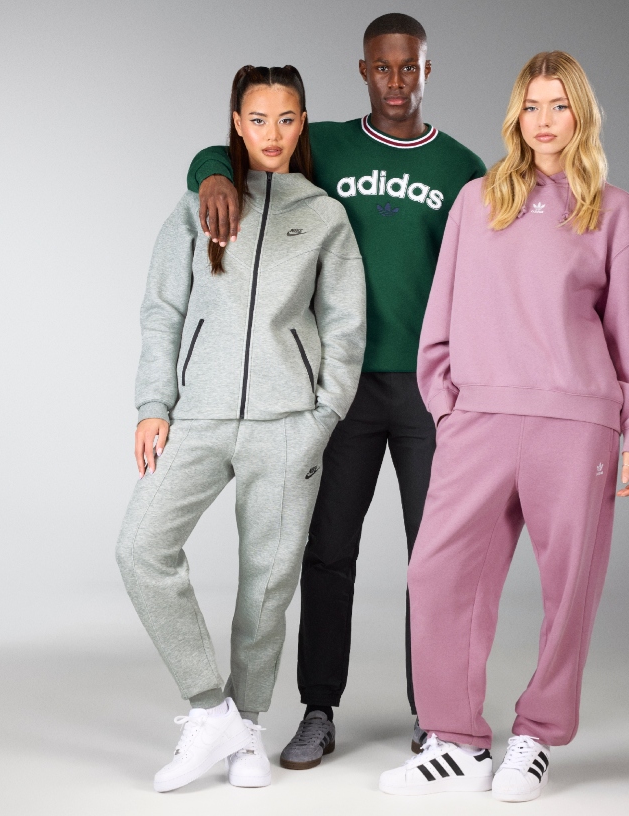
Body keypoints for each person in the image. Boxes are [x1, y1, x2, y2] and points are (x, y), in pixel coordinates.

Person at [187, 14, 486, 769]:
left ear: (427, 70)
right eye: (383, 67)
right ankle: (318, 708)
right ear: (363, 71)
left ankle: (436, 714)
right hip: (336, 384)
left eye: (409, 67)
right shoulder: (326, 145)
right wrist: (211, 176)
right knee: (327, 552)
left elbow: (483, 279)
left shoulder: (462, 167)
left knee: (435, 557)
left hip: (428, 391)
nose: (396, 81)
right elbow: (238, 149)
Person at [379, 51, 629, 801]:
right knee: (436, 572)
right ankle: (456, 742)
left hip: (576, 424)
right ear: (516, 115)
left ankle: (536, 735)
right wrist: (447, 402)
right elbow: (440, 314)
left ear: (581, 116)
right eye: (532, 106)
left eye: (559, 106)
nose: (544, 121)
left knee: (570, 588)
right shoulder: (477, 202)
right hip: (479, 418)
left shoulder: (614, 212)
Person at [115, 64, 365, 793]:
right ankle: (210, 707)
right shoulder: (199, 202)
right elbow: (163, 309)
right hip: (199, 416)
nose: (272, 135)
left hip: (287, 425)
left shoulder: (323, 215)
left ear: (302, 122)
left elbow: (345, 325)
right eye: (258, 119)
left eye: (286, 119)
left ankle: (247, 727)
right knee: (141, 548)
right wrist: (153, 405)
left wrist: (323, 414)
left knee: (267, 584)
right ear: (236, 122)